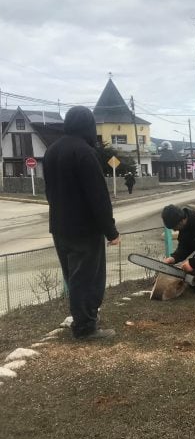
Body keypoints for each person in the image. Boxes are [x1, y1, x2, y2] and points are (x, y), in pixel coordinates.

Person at [43, 106, 121, 340]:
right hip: (85, 230)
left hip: (59, 226)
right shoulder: (84, 152)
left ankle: (82, 321)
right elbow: (98, 197)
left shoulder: (52, 151)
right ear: (88, 126)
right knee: (88, 279)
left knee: (74, 278)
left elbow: (49, 191)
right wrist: (111, 231)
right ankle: (86, 328)